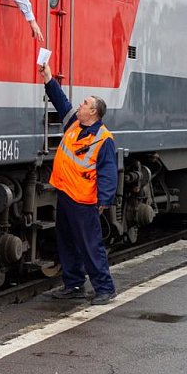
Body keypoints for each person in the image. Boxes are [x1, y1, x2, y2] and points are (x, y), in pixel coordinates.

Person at [40, 62, 117, 305]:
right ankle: (73, 285)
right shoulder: (74, 123)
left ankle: (105, 288)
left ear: (93, 112)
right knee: (67, 242)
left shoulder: (103, 139)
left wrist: (104, 201)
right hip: (65, 195)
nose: (80, 105)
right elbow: (60, 100)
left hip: (84, 201)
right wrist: (48, 78)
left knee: (90, 246)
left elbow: (108, 172)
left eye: (85, 103)